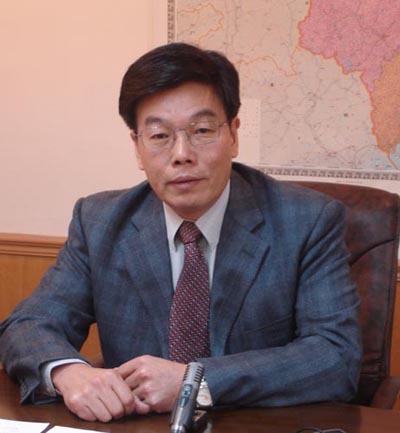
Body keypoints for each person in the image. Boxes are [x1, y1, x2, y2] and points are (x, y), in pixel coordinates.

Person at [0, 42, 361, 423]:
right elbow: (28, 325)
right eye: (159, 136)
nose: (181, 154)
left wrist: (196, 380)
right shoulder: (100, 222)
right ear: (137, 148)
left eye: (201, 130)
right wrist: (67, 372)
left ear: (234, 134)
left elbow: (336, 356)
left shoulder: (306, 221)